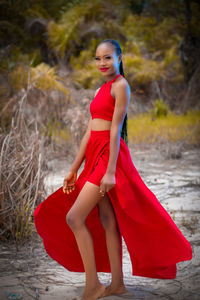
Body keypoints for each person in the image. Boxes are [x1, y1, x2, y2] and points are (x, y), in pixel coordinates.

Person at [34, 39, 192, 300]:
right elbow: (89, 130)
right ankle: (116, 284)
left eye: (107, 57)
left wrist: (109, 172)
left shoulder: (121, 86)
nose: (102, 63)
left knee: (74, 217)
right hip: (94, 156)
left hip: (109, 157)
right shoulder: (101, 89)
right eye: (98, 58)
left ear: (120, 58)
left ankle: (93, 285)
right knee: (107, 220)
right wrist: (74, 168)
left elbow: (115, 130)